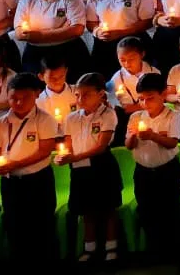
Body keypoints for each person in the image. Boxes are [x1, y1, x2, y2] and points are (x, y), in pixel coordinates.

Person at [0, 72, 59, 265]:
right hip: (11, 182)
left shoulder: (44, 119)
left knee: (42, 224)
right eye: (14, 98)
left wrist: (16, 164)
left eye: (25, 98)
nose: (19, 103)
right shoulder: (1, 122)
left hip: (38, 180)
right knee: (14, 225)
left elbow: (45, 151)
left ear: (36, 94)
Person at [58, 72, 123, 264]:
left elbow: (101, 146)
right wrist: (65, 155)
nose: (80, 99)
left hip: (102, 166)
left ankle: (111, 248)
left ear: (101, 94)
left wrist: (74, 156)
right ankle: (90, 248)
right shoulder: (71, 118)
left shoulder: (108, 114)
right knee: (86, 211)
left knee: (108, 208)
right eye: (77, 95)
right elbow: (68, 143)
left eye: (86, 94)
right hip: (79, 169)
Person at [125, 72, 180, 260]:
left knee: (170, 209)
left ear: (163, 94)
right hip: (143, 171)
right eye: (141, 99)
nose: (145, 103)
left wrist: (153, 136)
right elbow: (128, 145)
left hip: (167, 170)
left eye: (150, 98)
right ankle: (154, 249)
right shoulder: (136, 116)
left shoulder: (173, 115)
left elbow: (172, 142)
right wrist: (133, 136)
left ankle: (176, 250)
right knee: (147, 210)